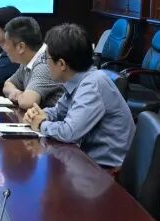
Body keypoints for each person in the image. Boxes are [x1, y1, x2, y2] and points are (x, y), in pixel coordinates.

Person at [23, 24, 135, 169]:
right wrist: (39, 115)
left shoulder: (92, 85)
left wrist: (40, 124)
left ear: (62, 64)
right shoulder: (79, 79)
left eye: (46, 58)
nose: (46, 63)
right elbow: (58, 111)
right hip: (87, 161)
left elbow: (69, 132)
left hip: (106, 170)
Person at [0, 16, 63, 109]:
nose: (4, 48)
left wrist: (20, 96)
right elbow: (8, 84)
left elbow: (27, 102)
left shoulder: (45, 63)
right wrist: (16, 93)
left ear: (21, 47)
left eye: (6, 43)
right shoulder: (28, 59)